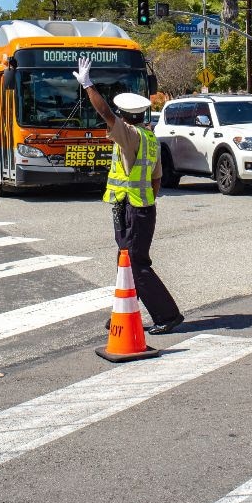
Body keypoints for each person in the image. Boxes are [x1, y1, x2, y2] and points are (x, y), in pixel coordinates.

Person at [74, 56, 183, 335]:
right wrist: (145, 201)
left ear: (124, 116)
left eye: (118, 117)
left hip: (133, 209)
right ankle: (123, 312)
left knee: (136, 263)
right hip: (139, 207)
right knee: (126, 260)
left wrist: (88, 86)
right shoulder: (149, 138)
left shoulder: (130, 136)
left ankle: (167, 315)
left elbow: (105, 114)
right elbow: (156, 179)